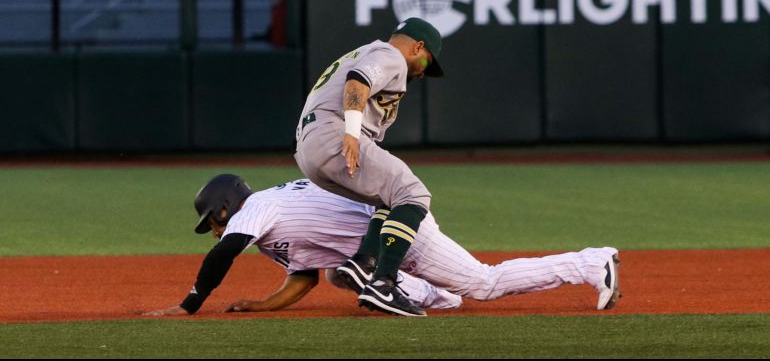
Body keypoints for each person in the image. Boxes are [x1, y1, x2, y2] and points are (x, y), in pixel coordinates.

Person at [144, 174, 621, 318]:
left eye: (213, 218)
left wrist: (190, 305)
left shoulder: (256, 208)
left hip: (398, 231)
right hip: (375, 239)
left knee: (486, 283)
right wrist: (262, 305)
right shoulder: (271, 222)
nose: (214, 228)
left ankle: (589, 261)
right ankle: (431, 295)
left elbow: (223, 253)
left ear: (227, 206)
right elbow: (306, 275)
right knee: (336, 271)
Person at [293, 17, 446, 316]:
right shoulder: (391, 56)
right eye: (429, 61)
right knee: (413, 194)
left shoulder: (366, 51)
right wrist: (350, 132)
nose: (426, 71)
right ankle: (384, 284)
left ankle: (364, 262)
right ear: (418, 46)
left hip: (308, 149)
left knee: (390, 197)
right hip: (334, 134)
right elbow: (358, 81)